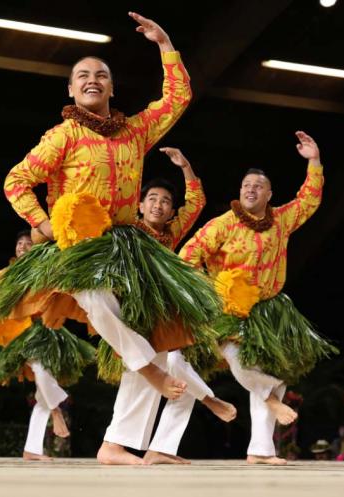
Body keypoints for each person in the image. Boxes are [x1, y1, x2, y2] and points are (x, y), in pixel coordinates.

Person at [0, 12, 220, 465]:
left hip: (127, 245)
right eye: (83, 76)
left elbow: (178, 97)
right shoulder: (62, 136)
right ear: (71, 90)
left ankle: (115, 442)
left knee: (148, 334)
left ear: (112, 88)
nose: (92, 79)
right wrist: (43, 225)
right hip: (77, 245)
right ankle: (148, 371)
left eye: (101, 75)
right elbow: (17, 181)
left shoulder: (136, 132)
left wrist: (165, 44)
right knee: (97, 298)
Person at [180, 131, 337, 465]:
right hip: (228, 309)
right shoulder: (222, 224)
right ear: (240, 191)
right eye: (246, 184)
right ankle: (271, 404)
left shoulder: (280, 221)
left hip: (268, 311)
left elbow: (308, 201)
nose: (250, 189)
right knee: (240, 360)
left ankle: (261, 450)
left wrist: (314, 161)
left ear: (269, 193)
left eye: (257, 185)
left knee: (273, 374)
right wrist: (210, 290)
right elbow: (188, 256)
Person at [97, 147, 237, 464]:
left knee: (154, 371)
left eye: (165, 201)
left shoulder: (170, 235)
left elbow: (197, 203)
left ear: (171, 210)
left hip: (157, 313)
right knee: (143, 370)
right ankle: (113, 446)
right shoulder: (127, 229)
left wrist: (186, 167)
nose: (159, 205)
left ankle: (122, 446)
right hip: (128, 307)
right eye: (153, 199)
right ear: (140, 204)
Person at [0, 230, 95, 461]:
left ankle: (32, 449)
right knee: (40, 370)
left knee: (41, 391)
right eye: (19, 243)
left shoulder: (45, 272)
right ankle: (57, 411)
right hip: (20, 333)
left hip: (46, 331)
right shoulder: (5, 275)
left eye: (28, 243)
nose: (23, 246)